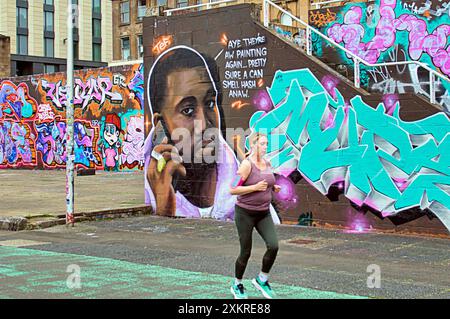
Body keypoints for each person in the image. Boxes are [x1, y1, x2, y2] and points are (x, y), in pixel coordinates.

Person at [144, 46, 238, 220]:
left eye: (210, 103)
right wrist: (164, 208)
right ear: (161, 124)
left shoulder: (245, 187)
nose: (204, 124)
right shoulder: (154, 192)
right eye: (187, 110)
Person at [229, 132, 281, 299]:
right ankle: (237, 284)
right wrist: (255, 187)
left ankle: (262, 279)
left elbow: (267, 182)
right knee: (246, 251)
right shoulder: (246, 164)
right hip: (245, 213)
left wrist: (274, 187)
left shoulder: (267, 163)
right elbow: (232, 189)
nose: (266, 147)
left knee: (273, 246)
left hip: (263, 212)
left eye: (266, 144)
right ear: (253, 145)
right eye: (262, 144)